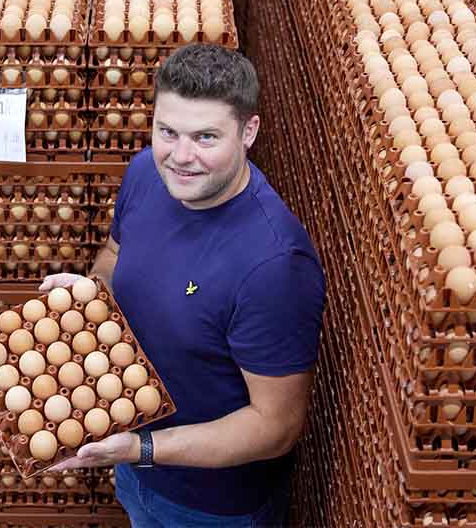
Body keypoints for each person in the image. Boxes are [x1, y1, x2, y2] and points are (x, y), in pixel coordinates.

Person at [42, 43, 325, 527]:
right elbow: (115, 255)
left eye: (206, 137)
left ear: (248, 132)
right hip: (133, 464)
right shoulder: (147, 175)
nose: (181, 156)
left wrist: (143, 447)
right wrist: (90, 295)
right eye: (167, 132)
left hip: (212, 506)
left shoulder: (273, 265)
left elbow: (275, 426)